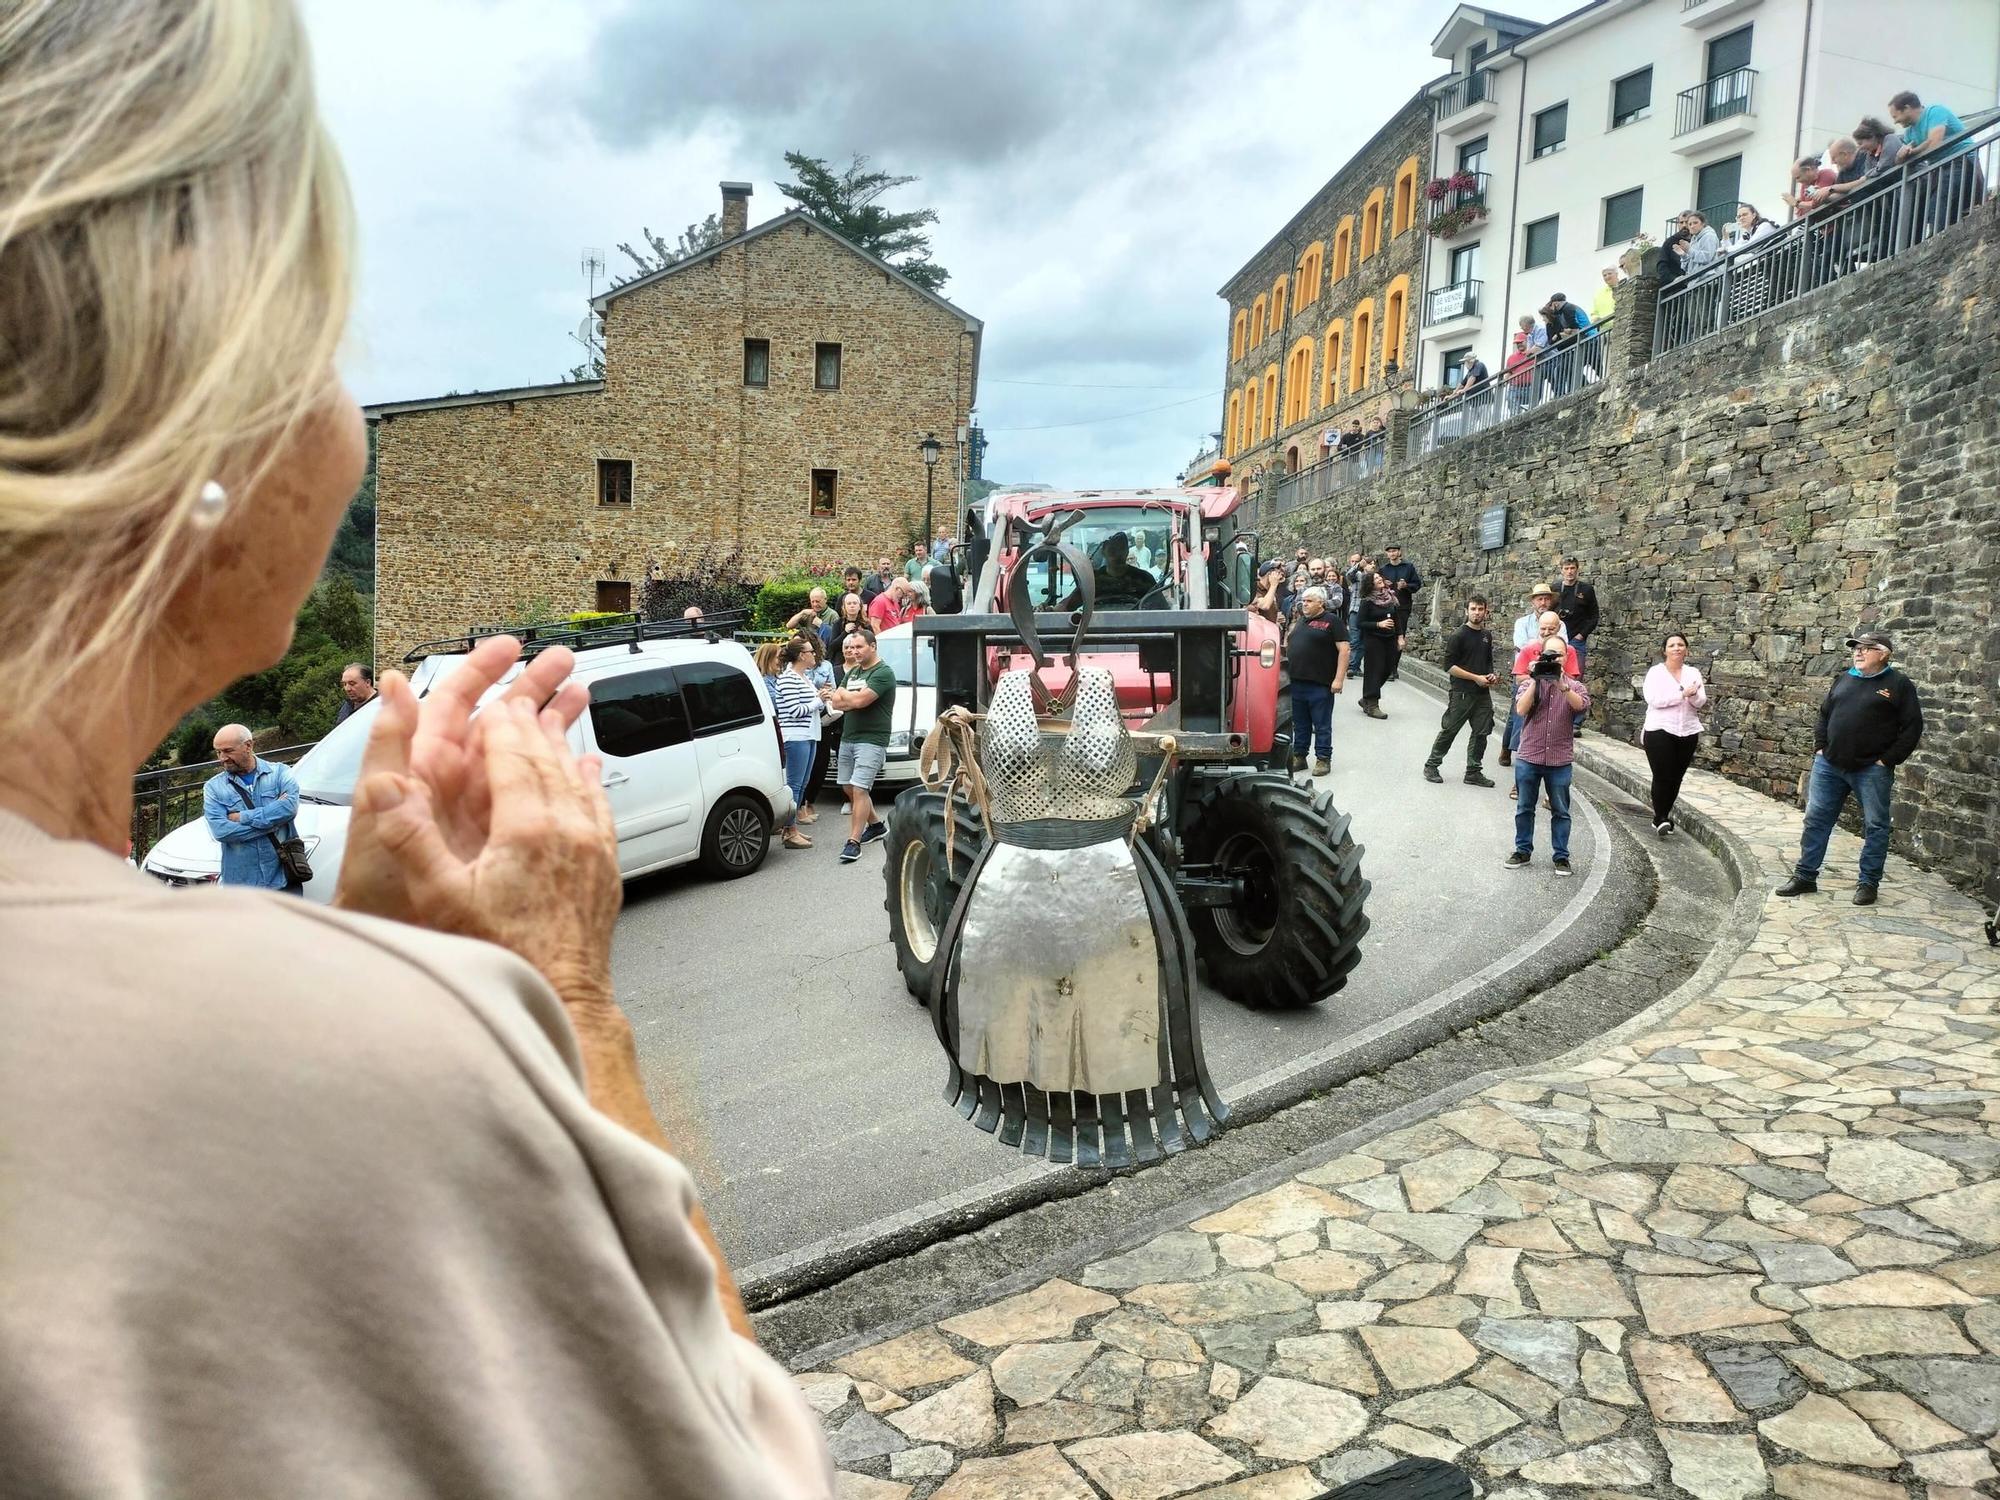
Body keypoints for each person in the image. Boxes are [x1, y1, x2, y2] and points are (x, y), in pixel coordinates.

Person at [0, 5, 831, 1493]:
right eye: (323, 332)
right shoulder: (343, 1069)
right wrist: (555, 1002)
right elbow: (736, 1465)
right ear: (194, 391)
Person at [1777, 630, 1925, 906]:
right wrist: (1820, 746)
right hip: (1829, 765)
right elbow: (1824, 714)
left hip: (1872, 769)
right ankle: (1805, 876)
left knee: (1876, 826)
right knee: (1816, 820)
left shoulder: (1899, 684)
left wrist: (1887, 759)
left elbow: (1913, 727)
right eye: (1856, 647)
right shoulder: (1844, 679)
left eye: (1865, 648)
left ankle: (1868, 883)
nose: (1858, 652)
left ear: (1884, 654)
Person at [1507, 634, 1590, 875]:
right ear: (1539, 656)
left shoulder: (1575, 687)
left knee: (1561, 811)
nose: (1554, 658)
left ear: (1567, 658)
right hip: (1529, 756)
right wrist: (1536, 679)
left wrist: (1559, 684)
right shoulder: (1527, 685)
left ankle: (1561, 856)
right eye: (1549, 655)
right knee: (1524, 807)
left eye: (1559, 655)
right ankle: (1522, 850)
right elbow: (1521, 709)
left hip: (1559, 759)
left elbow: (1580, 706)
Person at [203, 725, 305, 893]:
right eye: (218, 752)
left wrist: (242, 817)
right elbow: (221, 831)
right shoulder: (214, 787)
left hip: (284, 879)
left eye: (228, 751)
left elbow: (288, 808)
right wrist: (273, 823)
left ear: (248, 746)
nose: (222, 758)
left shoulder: (280, 773)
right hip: (242, 887)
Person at [824, 628, 896, 863]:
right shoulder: (854, 672)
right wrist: (846, 698)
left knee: (859, 788)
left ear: (872, 646)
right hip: (849, 737)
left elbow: (858, 700)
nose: (854, 652)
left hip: (872, 739)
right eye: (851, 648)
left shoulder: (883, 672)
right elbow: (836, 703)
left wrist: (845, 695)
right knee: (846, 785)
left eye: (859, 647)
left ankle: (853, 842)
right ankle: (876, 825)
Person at [1424, 597, 1499, 787]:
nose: (1476, 612)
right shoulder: (1458, 635)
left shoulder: (1486, 635)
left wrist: (1491, 675)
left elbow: (1488, 661)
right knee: (1450, 730)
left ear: (1486, 611)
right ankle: (1431, 765)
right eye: (1473, 608)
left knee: (1482, 732)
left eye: (1480, 609)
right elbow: (1448, 666)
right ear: (1467, 611)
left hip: (1482, 694)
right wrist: (1475, 677)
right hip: (1462, 693)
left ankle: (1473, 771)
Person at [1642, 632, 1707, 836]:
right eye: (1672, 645)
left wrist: (1694, 695)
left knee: (1676, 777)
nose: (1677, 648)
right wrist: (1681, 695)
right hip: (1659, 728)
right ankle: (1660, 817)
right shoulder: (1656, 673)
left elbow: (1701, 702)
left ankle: (1664, 814)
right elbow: (1654, 699)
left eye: (1680, 645)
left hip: (1687, 729)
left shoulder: (1693, 673)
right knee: (1663, 774)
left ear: (1686, 649)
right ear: (1665, 650)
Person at [1890, 89, 1979, 236]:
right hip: (1940, 167)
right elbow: (1900, 160)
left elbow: (1935, 143)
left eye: (1896, 116)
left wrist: (1914, 151)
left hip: (1960, 158)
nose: (1895, 121)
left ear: (1906, 108)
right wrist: (1901, 155)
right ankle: (1941, 236)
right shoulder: (1910, 132)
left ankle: (1938, 238)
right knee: (1935, 203)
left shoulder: (1935, 111)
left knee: (1940, 201)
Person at [1284, 586, 1348, 775]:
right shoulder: (1301, 621)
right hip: (1296, 682)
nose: (1304, 604)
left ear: (1321, 602)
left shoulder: (1332, 621)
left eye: (1309, 601)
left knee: (1321, 725)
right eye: (1303, 600)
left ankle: (1323, 759)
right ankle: (1300, 756)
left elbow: (1344, 651)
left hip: (1320, 684)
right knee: (1300, 723)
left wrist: (1338, 680)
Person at [1500, 583, 1558, 768]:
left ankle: (1516, 752)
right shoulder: (1522, 622)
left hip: (1549, 676)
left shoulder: (1559, 623)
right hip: (1524, 673)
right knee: (1517, 715)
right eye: (1540, 598)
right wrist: (1547, 649)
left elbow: (1561, 645)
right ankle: (1512, 753)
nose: (1544, 602)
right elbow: (1522, 646)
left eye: (1547, 598)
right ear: (1533, 601)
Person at [771, 638, 821, 850]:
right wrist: (818, 701)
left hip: (808, 735)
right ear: (801, 655)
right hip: (796, 736)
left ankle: (791, 828)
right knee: (794, 785)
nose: (814, 655)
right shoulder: (789, 678)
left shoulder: (804, 677)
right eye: (811, 651)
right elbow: (795, 710)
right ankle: (789, 830)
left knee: (803, 782)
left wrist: (821, 698)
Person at [795, 633, 836, 819]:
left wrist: (824, 692)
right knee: (802, 769)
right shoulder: (792, 672)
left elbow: (832, 690)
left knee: (820, 764)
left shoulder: (825, 666)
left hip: (823, 719)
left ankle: (810, 801)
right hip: (802, 723)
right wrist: (819, 695)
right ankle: (798, 808)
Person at [1555, 557, 1600, 727]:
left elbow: (1594, 616)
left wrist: (1582, 634)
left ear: (1578, 569)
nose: (1569, 571)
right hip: (1556, 640)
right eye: (1566, 568)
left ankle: (1576, 722)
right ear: (1561, 570)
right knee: (1554, 676)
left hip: (1576, 640)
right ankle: (1559, 716)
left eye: (1572, 568)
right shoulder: (1555, 589)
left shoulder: (1586, 590)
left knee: (1576, 678)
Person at [1066, 530, 1156, 608]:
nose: (1117, 555)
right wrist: (1054, 610)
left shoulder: (1144, 579)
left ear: (1127, 551)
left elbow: (1161, 610)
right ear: (1103, 552)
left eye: (1121, 549)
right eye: (1112, 550)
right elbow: (1066, 606)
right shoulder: (1091, 581)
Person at [1356, 564, 1398, 718]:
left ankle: (1366, 697)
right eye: (1375, 578)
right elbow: (1360, 623)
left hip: (1390, 638)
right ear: (1370, 584)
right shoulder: (1367, 601)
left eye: (1380, 577)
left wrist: (1400, 636)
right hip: (1373, 639)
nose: (1380, 579)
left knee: (1388, 669)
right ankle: (1373, 705)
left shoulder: (1390, 596)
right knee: (1375, 670)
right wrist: (1378, 624)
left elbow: (1396, 618)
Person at [1378, 543, 1422, 681]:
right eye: (1389, 551)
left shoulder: (1408, 567)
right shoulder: (1383, 569)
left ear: (1399, 552)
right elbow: (1375, 585)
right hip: (1386, 607)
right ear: (1387, 554)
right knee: (1387, 636)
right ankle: (1387, 668)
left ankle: (1393, 669)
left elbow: (1417, 585)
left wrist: (1406, 585)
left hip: (1403, 607)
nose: (1392, 553)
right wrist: (1385, 585)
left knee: (1399, 637)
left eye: (1394, 551)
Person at [1504, 329, 1536, 414]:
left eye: (1521, 342)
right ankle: (1514, 419)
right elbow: (1508, 371)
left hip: (1529, 386)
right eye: (1517, 343)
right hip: (1515, 387)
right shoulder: (1512, 357)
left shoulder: (1533, 353)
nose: (1519, 345)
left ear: (1527, 341)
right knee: (1512, 405)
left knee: (1529, 410)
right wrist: (1505, 380)